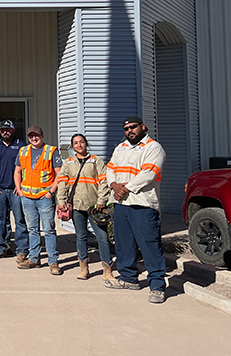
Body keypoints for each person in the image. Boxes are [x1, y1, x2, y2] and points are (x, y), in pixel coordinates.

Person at [105, 116, 168, 304]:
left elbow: (150, 172)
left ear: (142, 127)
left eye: (133, 127)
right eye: (126, 128)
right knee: (124, 244)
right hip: (121, 204)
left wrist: (126, 188)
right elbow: (110, 168)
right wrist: (114, 185)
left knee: (150, 245)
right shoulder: (120, 148)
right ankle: (128, 278)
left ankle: (157, 285)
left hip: (142, 203)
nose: (129, 130)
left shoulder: (153, 147)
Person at [56, 133, 114, 283]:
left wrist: (102, 200)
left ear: (86, 144)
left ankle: (107, 270)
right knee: (81, 237)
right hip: (76, 206)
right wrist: (60, 200)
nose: (79, 145)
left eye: (81, 142)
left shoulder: (96, 161)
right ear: (72, 146)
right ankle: (84, 269)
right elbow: (62, 182)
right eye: (76, 143)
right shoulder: (68, 163)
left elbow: (103, 181)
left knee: (102, 238)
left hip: (95, 207)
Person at [14, 125, 62, 274]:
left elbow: (59, 174)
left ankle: (53, 261)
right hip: (27, 197)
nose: (34, 138)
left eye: (36, 135)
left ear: (42, 135)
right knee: (32, 230)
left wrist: (51, 192)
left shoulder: (51, 151)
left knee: (48, 230)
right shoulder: (23, 151)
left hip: (44, 198)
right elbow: (17, 171)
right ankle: (34, 259)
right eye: (31, 136)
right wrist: (20, 190)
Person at [0, 120, 29, 260]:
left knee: (20, 220)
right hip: (0, 189)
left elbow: (28, 168)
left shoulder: (21, 145)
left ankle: (22, 250)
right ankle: (1, 248)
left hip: (16, 189)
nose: (5, 132)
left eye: (8, 129)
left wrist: (21, 185)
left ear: (13, 130)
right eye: (3, 129)